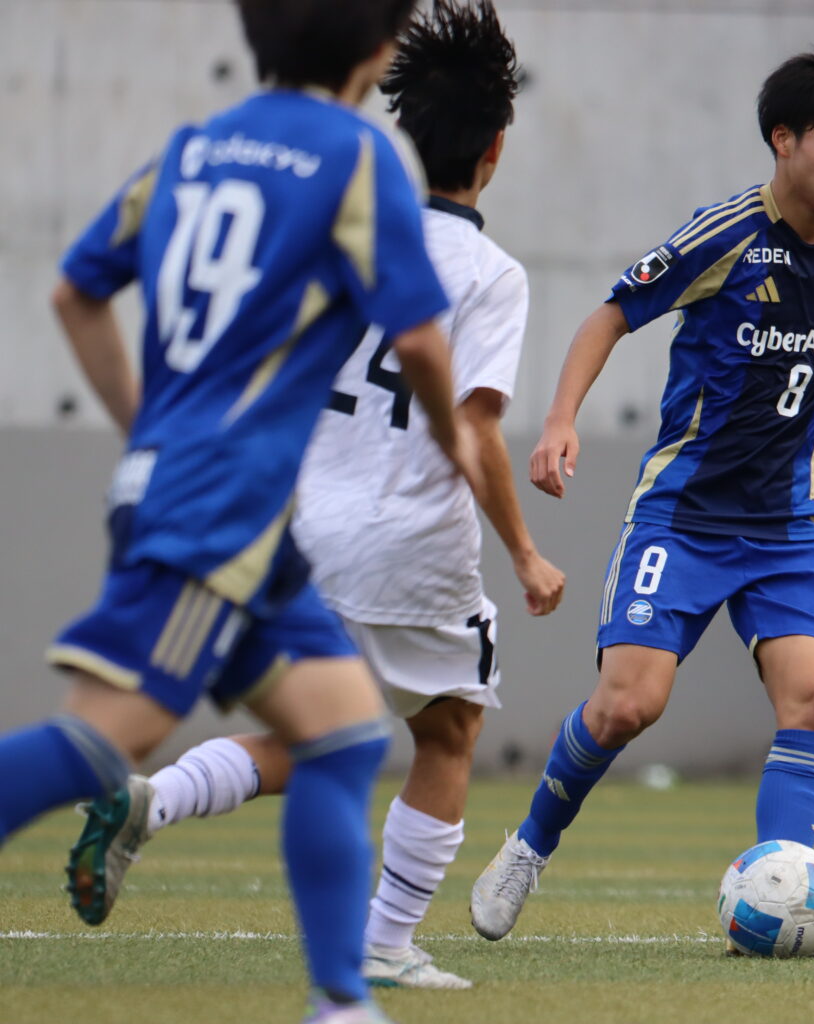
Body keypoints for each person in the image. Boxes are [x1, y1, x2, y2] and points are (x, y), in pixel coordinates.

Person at [63, 0, 563, 993]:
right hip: (410, 539)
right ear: (496, 149)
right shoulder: (491, 275)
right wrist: (524, 551)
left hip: (297, 527)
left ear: (400, 127)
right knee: (451, 725)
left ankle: (156, 800)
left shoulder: (340, 224)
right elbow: (473, 428)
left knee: (326, 732)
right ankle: (381, 946)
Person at [0, 1, 466, 1021]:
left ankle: (341, 1003)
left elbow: (77, 292)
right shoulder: (358, 155)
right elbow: (421, 341)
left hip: (215, 502)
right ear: (380, 46)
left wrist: (148, 429)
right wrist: (458, 442)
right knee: (103, 738)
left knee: (344, 734)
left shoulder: (192, 150)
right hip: (222, 507)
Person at [469, 48, 814, 957]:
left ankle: (783, 892)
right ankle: (528, 847)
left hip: (788, 527)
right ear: (783, 140)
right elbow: (611, 313)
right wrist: (560, 420)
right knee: (626, 706)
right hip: (682, 520)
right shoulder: (725, 236)